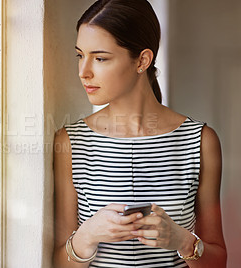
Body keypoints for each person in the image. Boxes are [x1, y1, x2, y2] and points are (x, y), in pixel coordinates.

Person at [52, 0, 227, 267]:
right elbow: (58, 262)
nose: (83, 72)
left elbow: (218, 261)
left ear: (142, 60)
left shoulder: (201, 141)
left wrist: (181, 240)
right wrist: (86, 236)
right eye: (80, 55)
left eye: (100, 58)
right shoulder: (71, 142)